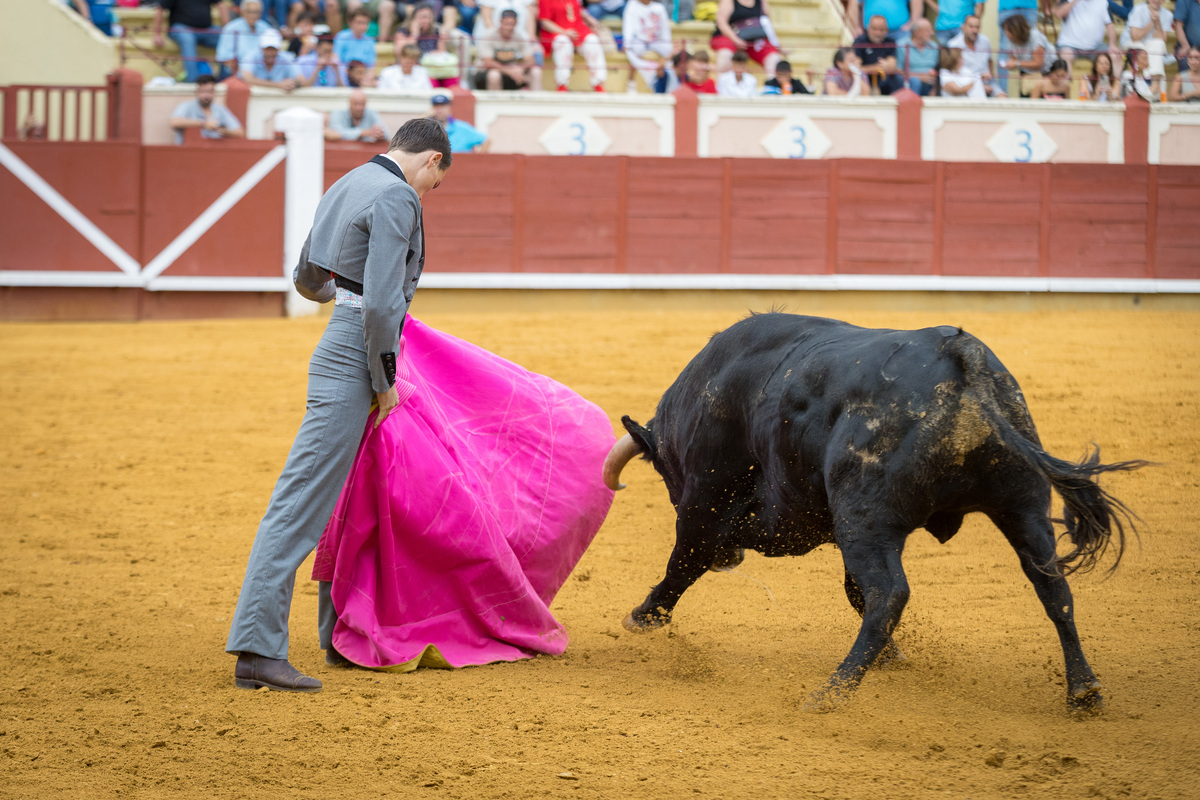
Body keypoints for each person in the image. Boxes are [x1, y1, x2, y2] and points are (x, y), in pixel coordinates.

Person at [226, 118, 450, 693]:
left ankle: (337, 632)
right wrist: (383, 379)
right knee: (301, 502)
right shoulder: (399, 194)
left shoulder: (347, 181)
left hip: (337, 341)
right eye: (437, 182)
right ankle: (256, 649)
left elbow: (306, 277)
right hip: (356, 358)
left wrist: (340, 297)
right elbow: (380, 303)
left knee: (337, 497)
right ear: (431, 161)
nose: (429, 193)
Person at [538, 0, 609, 91]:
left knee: (593, 40)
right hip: (557, 33)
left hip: (577, 31)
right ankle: (562, 84)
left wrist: (589, 18)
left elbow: (576, 10)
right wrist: (564, 32)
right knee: (563, 42)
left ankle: (598, 83)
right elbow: (544, 22)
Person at [154, 0, 230, 83]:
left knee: (227, 38)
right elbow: (160, 9)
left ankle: (225, 78)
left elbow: (221, 5)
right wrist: (157, 33)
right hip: (181, 28)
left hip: (205, 30)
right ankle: (193, 81)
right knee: (187, 39)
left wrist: (226, 29)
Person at [472, 9, 541, 89]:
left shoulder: (519, 36)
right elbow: (488, 62)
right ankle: (494, 100)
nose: (509, 27)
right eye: (506, 24)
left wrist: (520, 69)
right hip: (484, 75)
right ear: (501, 22)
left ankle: (537, 99)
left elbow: (531, 61)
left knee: (536, 71)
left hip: (512, 74)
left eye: (512, 24)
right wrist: (509, 71)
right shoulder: (489, 35)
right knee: (494, 74)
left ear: (516, 24)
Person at [711, 0, 781, 76]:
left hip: (753, 40)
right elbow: (721, 23)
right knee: (726, 55)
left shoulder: (762, 1)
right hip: (729, 37)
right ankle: (724, 86)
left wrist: (777, 45)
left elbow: (767, 23)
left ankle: (772, 86)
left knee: (774, 60)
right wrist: (736, 40)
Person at [169, 74, 245, 144]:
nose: (206, 95)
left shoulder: (220, 109)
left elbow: (240, 132)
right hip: (190, 151)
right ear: (197, 92)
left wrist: (223, 131)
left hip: (215, 152)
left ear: (214, 92)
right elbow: (174, 122)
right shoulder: (187, 106)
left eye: (209, 91)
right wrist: (204, 123)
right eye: (203, 91)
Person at [1055, 0, 1120, 72]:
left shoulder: (1103, 2)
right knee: (1066, 56)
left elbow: (1110, 25)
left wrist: (1112, 45)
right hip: (1070, 45)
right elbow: (1059, 14)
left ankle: (1116, 83)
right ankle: (1066, 82)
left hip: (1095, 47)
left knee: (1114, 56)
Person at [623, 0, 673, 92]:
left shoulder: (659, 7)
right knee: (634, 50)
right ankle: (631, 83)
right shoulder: (632, 5)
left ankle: (668, 83)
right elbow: (628, 25)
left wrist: (667, 43)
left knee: (669, 50)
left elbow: (665, 29)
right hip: (639, 39)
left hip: (656, 40)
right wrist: (627, 43)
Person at [947, 14, 1003, 96]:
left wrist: (990, 76)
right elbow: (953, 71)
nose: (975, 30)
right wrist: (979, 83)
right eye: (971, 27)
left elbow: (990, 61)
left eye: (977, 27)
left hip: (988, 82)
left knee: (1002, 97)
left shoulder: (985, 41)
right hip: (965, 84)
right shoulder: (953, 44)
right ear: (963, 27)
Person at [997, 13, 1052, 95]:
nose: (1005, 33)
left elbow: (1038, 63)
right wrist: (1008, 65)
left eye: (1007, 30)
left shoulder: (1035, 36)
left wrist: (1017, 63)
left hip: (1047, 74)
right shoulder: (1012, 41)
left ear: (1015, 29)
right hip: (1028, 76)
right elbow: (1014, 61)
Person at [241, 29, 313, 88]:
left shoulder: (286, 58)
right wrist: (279, 85)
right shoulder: (251, 56)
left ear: (279, 49)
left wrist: (292, 84)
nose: (270, 53)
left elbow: (304, 82)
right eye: (267, 49)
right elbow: (247, 79)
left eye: (273, 49)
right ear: (261, 49)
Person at [217, 0, 274, 74]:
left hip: (261, 72)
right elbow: (224, 58)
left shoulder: (266, 28)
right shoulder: (231, 28)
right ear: (242, 12)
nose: (253, 15)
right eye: (250, 12)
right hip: (236, 72)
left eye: (257, 12)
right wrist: (243, 73)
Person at [853, 13, 905, 94]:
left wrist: (888, 66)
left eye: (881, 30)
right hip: (866, 78)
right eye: (874, 29)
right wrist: (876, 68)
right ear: (868, 28)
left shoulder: (890, 42)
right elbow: (856, 68)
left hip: (883, 78)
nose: (878, 33)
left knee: (897, 79)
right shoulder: (859, 42)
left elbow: (892, 65)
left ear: (887, 30)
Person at [334, 7, 380, 78]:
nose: (363, 26)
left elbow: (371, 67)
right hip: (343, 76)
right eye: (359, 23)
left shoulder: (370, 41)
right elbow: (336, 60)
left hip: (362, 77)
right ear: (351, 22)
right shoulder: (341, 37)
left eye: (365, 23)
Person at [843, 0, 923, 40]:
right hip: (870, 33)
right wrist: (856, 27)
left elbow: (917, 1)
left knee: (901, 65)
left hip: (900, 33)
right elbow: (853, 3)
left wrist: (913, 23)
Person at [901, 18, 940, 94]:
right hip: (910, 82)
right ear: (916, 32)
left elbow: (937, 68)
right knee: (915, 82)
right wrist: (920, 77)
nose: (932, 33)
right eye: (928, 31)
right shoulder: (902, 45)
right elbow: (898, 71)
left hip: (931, 83)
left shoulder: (934, 46)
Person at [1176, 0, 1200, 71]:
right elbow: (1178, 25)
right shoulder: (1183, 1)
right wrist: (1185, 46)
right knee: (1185, 62)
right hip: (1189, 47)